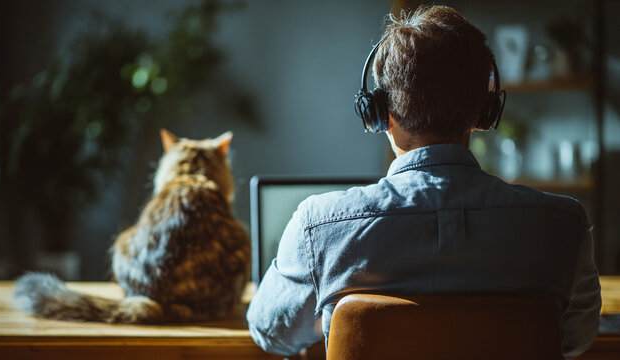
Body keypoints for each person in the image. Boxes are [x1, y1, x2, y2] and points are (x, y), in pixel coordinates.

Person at [246, 5, 601, 359]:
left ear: (379, 113)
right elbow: (575, 338)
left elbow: (270, 333)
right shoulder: (563, 224)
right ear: (484, 112)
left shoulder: (318, 226)